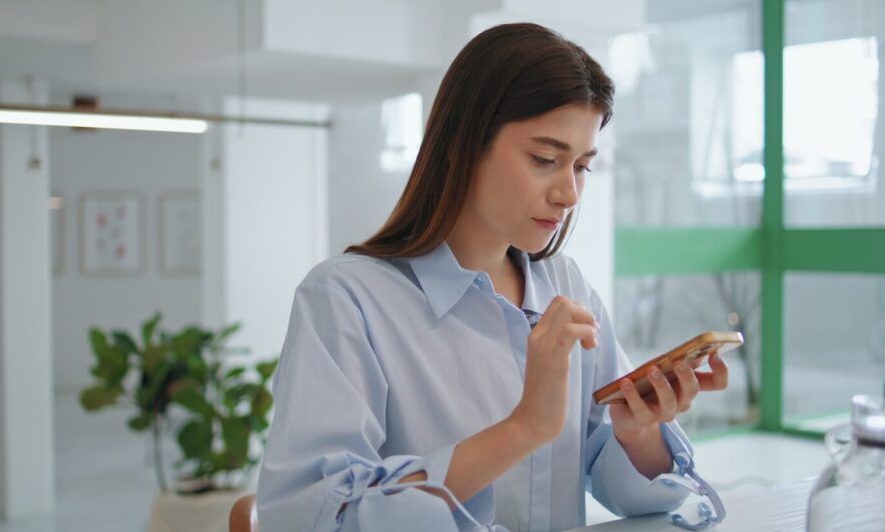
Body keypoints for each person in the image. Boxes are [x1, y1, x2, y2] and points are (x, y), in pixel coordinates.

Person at [256, 22, 729, 532]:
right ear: (465, 144)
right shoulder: (346, 300)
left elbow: (621, 482)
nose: (569, 194)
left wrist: (637, 433)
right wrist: (524, 428)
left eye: (582, 166)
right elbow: (309, 516)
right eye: (545, 159)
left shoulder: (565, 286)